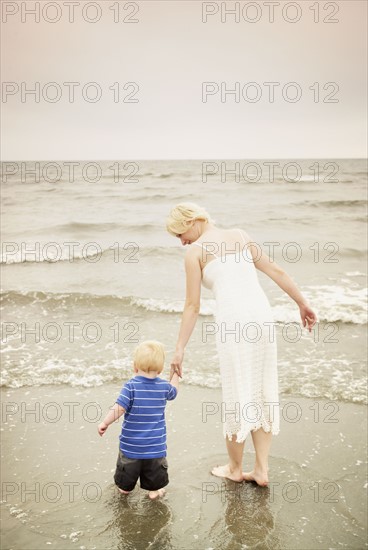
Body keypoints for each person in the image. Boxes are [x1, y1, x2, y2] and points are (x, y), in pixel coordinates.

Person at [166, 203, 317, 487]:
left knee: (237, 394)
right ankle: (261, 470)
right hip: (262, 318)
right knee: (261, 390)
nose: (181, 241)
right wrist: (302, 303)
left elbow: (192, 306)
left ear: (191, 221)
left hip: (234, 324)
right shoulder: (240, 235)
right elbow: (275, 270)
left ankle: (235, 468)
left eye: (178, 234)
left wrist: (179, 348)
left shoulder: (195, 253)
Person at [98, 340, 179, 499]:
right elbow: (174, 391)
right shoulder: (164, 387)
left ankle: (125, 490)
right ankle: (154, 492)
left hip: (131, 447)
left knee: (125, 479)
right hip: (155, 448)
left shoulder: (130, 386)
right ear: (161, 369)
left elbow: (119, 408)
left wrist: (105, 423)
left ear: (135, 366)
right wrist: (175, 374)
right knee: (155, 478)